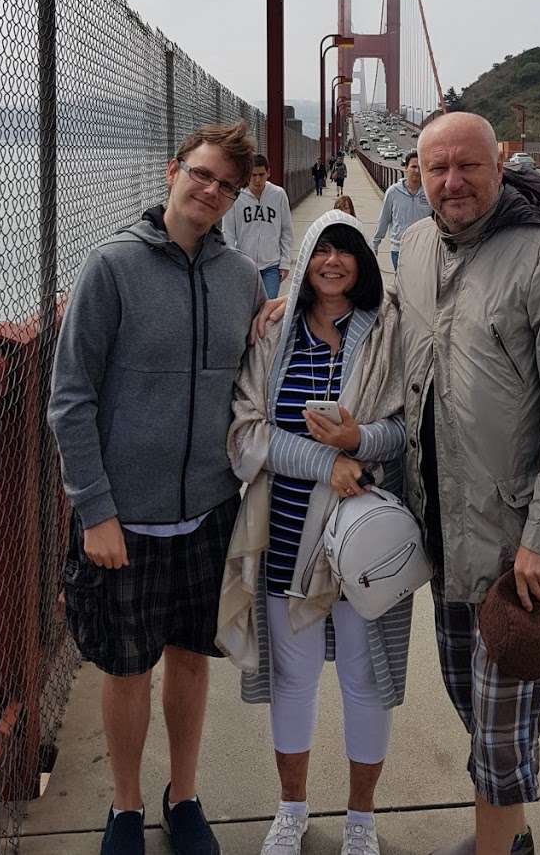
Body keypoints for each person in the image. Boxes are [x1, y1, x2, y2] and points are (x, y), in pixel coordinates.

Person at [49, 122, 265, 855]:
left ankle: (184, 793)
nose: (211, 191)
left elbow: (249, 377)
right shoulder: (110, 265)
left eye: (227, 185)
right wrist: (95, 509)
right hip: (127, 519)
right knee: (125, 665)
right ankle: (126, 805)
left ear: (237, 196)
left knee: (191, 656)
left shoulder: (239, 278)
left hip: (208, 510)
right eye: (201, 175)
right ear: (173, 171)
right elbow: (70, 396)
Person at [399, 112, 540, 855]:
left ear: (500, 166)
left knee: (500, 731)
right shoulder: (414, 245)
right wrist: (285, 312)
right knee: (475, 705)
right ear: (415, 176)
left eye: (469, 166)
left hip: (517, 549)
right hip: (445, 535)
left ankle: (500, 843)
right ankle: (510, 835)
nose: (453, 181)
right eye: (437, 168)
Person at [217, 211, 411, 855]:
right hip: (284, 531)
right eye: (321, 249)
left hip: (363, 540)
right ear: (303, 260)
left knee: (365, 679)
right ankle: (291, 810)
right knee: (293, 681)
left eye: (347, 250)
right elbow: (247, 433)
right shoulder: (274, 334)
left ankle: (361, 820)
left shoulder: (387, 331)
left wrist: (359, 439)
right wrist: (330, 461)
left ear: (363, 262)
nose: (333, 260)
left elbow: (404, 428)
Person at [221, 154, 293, 299]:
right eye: (253, 175)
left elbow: (286, 229)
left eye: (261, 174)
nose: (257, 179)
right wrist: (233, 262)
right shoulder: (236, 197)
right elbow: (228, 232)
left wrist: (285, 262)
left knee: (267, 309)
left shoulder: (278, 194)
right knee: (247, 308)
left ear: (268, 173)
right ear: (247, 175)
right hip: (245, 265)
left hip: (271, 265)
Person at [371, 152, 431, 270]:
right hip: (399, 250)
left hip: (424, 250)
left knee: (421, 286)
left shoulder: (429, 192)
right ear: (406, 168)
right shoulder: (393, 192)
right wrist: (376, 242)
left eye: (420, 167)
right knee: (403, 286)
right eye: (413, 167)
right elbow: (384, 218)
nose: (417, 171)